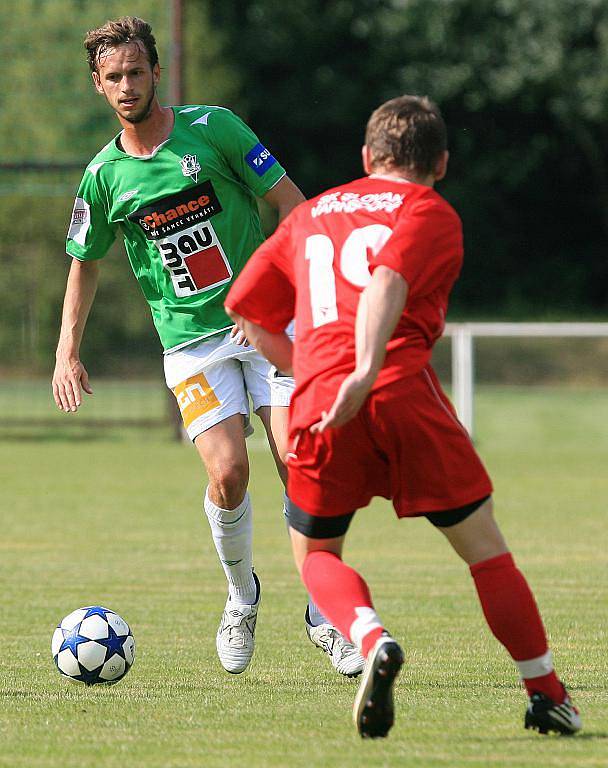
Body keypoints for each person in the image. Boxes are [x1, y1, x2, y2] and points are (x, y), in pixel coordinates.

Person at [225, 95, 582, 737]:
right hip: (400, 394)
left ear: (366, 157)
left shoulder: (311, 215)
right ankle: (545, 692)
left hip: (321, 404)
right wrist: (364, 371)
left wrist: (316, 370)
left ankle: (370, 638)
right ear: (441, 163)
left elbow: (246, 310)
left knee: (317, 556)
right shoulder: (431, 210)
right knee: (484, 552)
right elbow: (388, 279)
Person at [51, 16, 364, 678]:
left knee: (298, 464)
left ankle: (320, 611)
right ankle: (242, 596)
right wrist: (65, 352)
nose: (128, 85)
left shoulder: (215, 128)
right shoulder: (104, 177)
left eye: (138, 72)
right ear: (98, 86)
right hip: (192, 346)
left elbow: (293, 206)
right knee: (228, 474)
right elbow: (84, 261)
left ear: (157, 74)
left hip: (269, 327)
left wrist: (284, 296)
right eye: (115, 77)